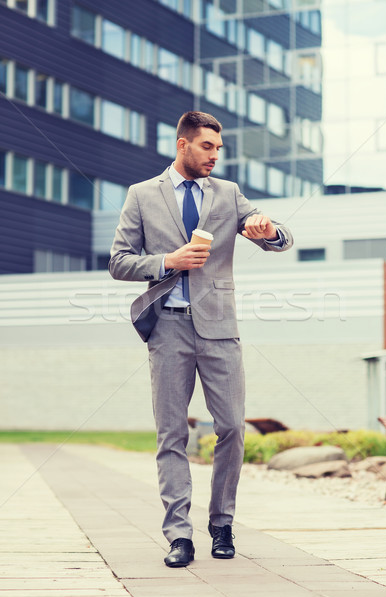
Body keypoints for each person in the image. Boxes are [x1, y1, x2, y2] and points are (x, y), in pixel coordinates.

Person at [109, 111, 294, 568]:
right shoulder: (141, 196)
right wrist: (167, 261)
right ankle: (179, 535)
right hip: (168, 330)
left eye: (219, 148)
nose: (215, 155)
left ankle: (222, 524)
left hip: (219, 329)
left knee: (231, 426)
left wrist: (268, 230)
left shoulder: (228, 193)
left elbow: (279, 237)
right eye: (207, 147)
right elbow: (119, 261)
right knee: (171, 433)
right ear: (183, 144)